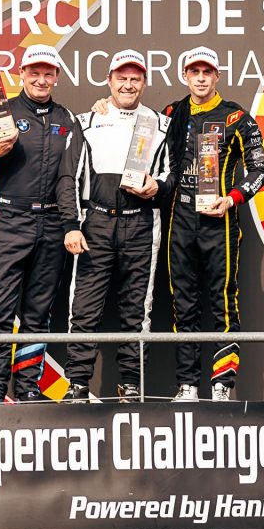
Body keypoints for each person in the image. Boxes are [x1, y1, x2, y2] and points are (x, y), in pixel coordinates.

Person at [0, 44, 80, 403]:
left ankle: (28, 386)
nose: (41, 79)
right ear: (23, 74)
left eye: (48, 73)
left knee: (38, 312)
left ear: (56, 77)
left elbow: (70, 176)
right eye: (35, 72)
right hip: (10, 220)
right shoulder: (2, 112)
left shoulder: (66, 118)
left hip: (52, 222)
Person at [58, 50, 172, 403]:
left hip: (142, 223)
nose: (128, 84)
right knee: (84, 306)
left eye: (135, 78)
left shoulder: (160, 124)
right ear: (109, 81)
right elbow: (67, 177)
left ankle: (131, 385)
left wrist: (158, 187)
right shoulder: (87, 121)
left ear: (145, 83)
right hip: (96, 222)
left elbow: (172, 174)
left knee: (138, 308)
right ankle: (77, 383)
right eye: (121, 78)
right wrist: (71, 224)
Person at [161, 46, 264, 402]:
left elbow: (260, 169)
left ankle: (222, 385)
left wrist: (232, 199)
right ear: (185, 75)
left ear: (217, 76)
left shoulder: (236, 116)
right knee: (183, 304)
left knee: (224, 303)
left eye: (207, 72)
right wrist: (103, 105)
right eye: (194, 71)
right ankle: (187, 385)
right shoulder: (171, 113)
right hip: (180, 220)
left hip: (219, 222)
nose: (201, 78)